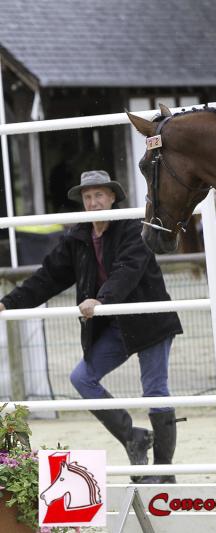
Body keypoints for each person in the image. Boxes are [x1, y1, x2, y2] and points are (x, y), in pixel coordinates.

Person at [0, 170, 183, 483]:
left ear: (112, 197)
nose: (94, 202)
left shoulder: (133, 228)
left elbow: (128, 269)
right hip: (114, 325)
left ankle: (164, 471)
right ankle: (133, 435)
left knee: (155, 389)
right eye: (88, 197)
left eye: (99, 195)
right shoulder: (78, 237)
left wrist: (101, 299)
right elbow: (48, 277)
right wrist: (7, 303)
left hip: (148, 320)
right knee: (82, 378)